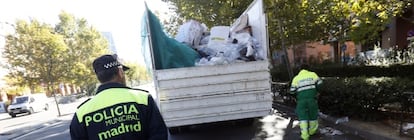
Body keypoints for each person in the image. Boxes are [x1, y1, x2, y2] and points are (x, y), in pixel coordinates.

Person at [70, 54, 168, 140]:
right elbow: (159, 134)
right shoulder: (143, 99)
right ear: (120, 72)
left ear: (99, 78)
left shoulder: (82, 113)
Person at [290, 64, 322, 140]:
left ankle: (305, 136)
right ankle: (312, 132)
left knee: (302, 117)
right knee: (313, 116)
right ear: (308, 69)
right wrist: (318, 91)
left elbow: (292, 91)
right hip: (312, 99)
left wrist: (296, 97)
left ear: (300, 70)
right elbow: (320, 84)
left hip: (301, 101)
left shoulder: (296, 78)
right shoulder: (313, 75)